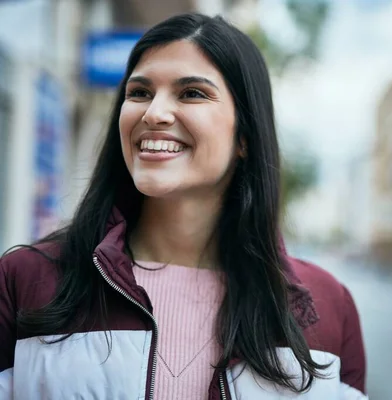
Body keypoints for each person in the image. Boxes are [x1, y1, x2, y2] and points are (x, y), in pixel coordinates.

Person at [0, 12, 367, 400]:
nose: (154, 113)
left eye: (192, 93)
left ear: (245, 136)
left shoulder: (329, 306)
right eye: (139, 92)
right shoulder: (25, 280)